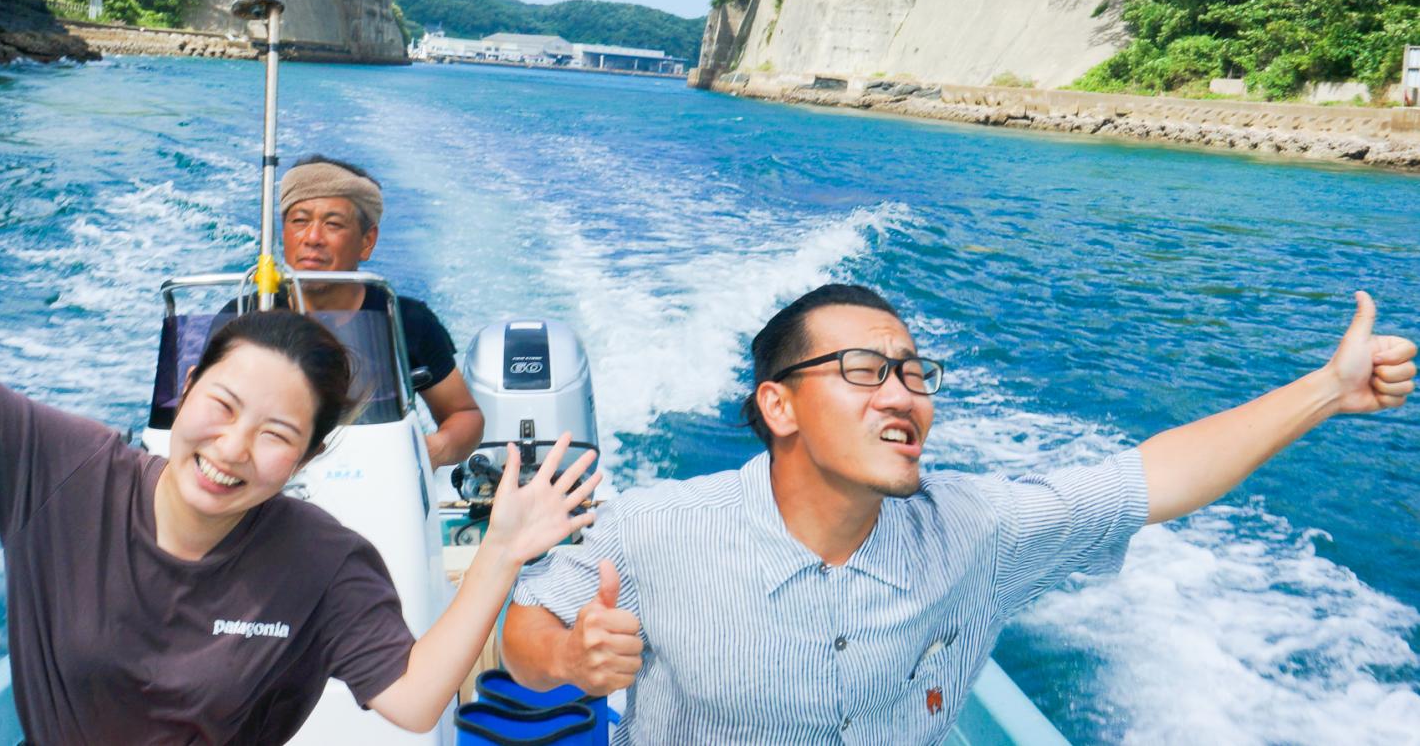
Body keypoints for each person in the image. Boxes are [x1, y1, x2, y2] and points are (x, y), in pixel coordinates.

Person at [0, 126, 600, 744]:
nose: (230, 447)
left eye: (274, 432)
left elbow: (411, 705)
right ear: (183, 389)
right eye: (220, 405)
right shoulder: (66, 474)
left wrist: (499, 553)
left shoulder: (323, 559)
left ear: (306, 457)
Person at [501, 282, 1415, 744]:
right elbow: (524, 633)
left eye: (911, 372)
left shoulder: (976, 526)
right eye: (863, 370)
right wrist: (572, 657)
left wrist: (1325, 392)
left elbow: (1152, 476)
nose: (901, 392)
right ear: (778, 406)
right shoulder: (661, 526)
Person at [257, 154, 482, 468]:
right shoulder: (250, 317)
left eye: (333, 224)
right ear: (284, 233)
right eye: (299, 221)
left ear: (367, 241)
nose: (312, 238)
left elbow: (464, 415)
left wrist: (432, 451)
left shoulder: (405, 322)